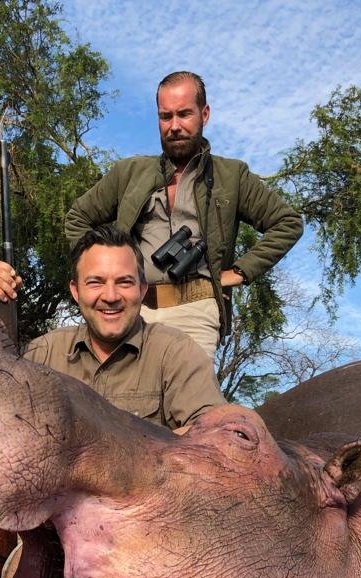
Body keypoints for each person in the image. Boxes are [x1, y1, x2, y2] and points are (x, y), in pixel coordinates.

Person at [64, 70, 304, 362]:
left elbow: (288, 223)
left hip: (197, 310)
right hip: (133, 311)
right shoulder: (128, 173)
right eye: (166, 117)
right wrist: (102, 274)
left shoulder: (232, 175)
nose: (174, 126)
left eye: (184, 114)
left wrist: (239, 272)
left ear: (205, 114)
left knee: (191, 403)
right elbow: (77, 218)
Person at [0, 225, 227, 431]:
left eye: (124, 282)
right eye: (95, 282)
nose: (110, 296)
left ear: (142, 290)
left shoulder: (176, 352)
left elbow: (213, 437)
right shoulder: (43, 353)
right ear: (76, 291)